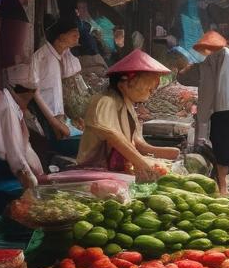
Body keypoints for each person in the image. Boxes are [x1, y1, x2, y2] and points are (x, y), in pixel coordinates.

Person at [76, 50, 180, 179]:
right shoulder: (104, 101)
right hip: (94, 174)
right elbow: (111, 134)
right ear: (125, 83)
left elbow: (139, 144)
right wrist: (141, 162)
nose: (152, 90)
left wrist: (171, 154)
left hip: (118, 173)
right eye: (149, 86)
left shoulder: (128, 105)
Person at [187, 32, 229, 196]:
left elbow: (207, 89)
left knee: (223, 150)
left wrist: (202, 116)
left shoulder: (210, 61)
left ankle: (224, 188)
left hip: (221, 110)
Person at [0, 64, 43, 192]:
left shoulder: (9, 102)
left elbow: (23, 146)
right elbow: (14, 147)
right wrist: (27, 174)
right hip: (3, 171)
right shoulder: (6, 104)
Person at [32, 18, 83, 136]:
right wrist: (53, 121)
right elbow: (34, 91)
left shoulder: (63, 55)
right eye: (73, 32)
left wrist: (70, 118)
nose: (78, 35)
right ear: (61, 36)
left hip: (60, 119)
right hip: (46, 120)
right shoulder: (41, 57)